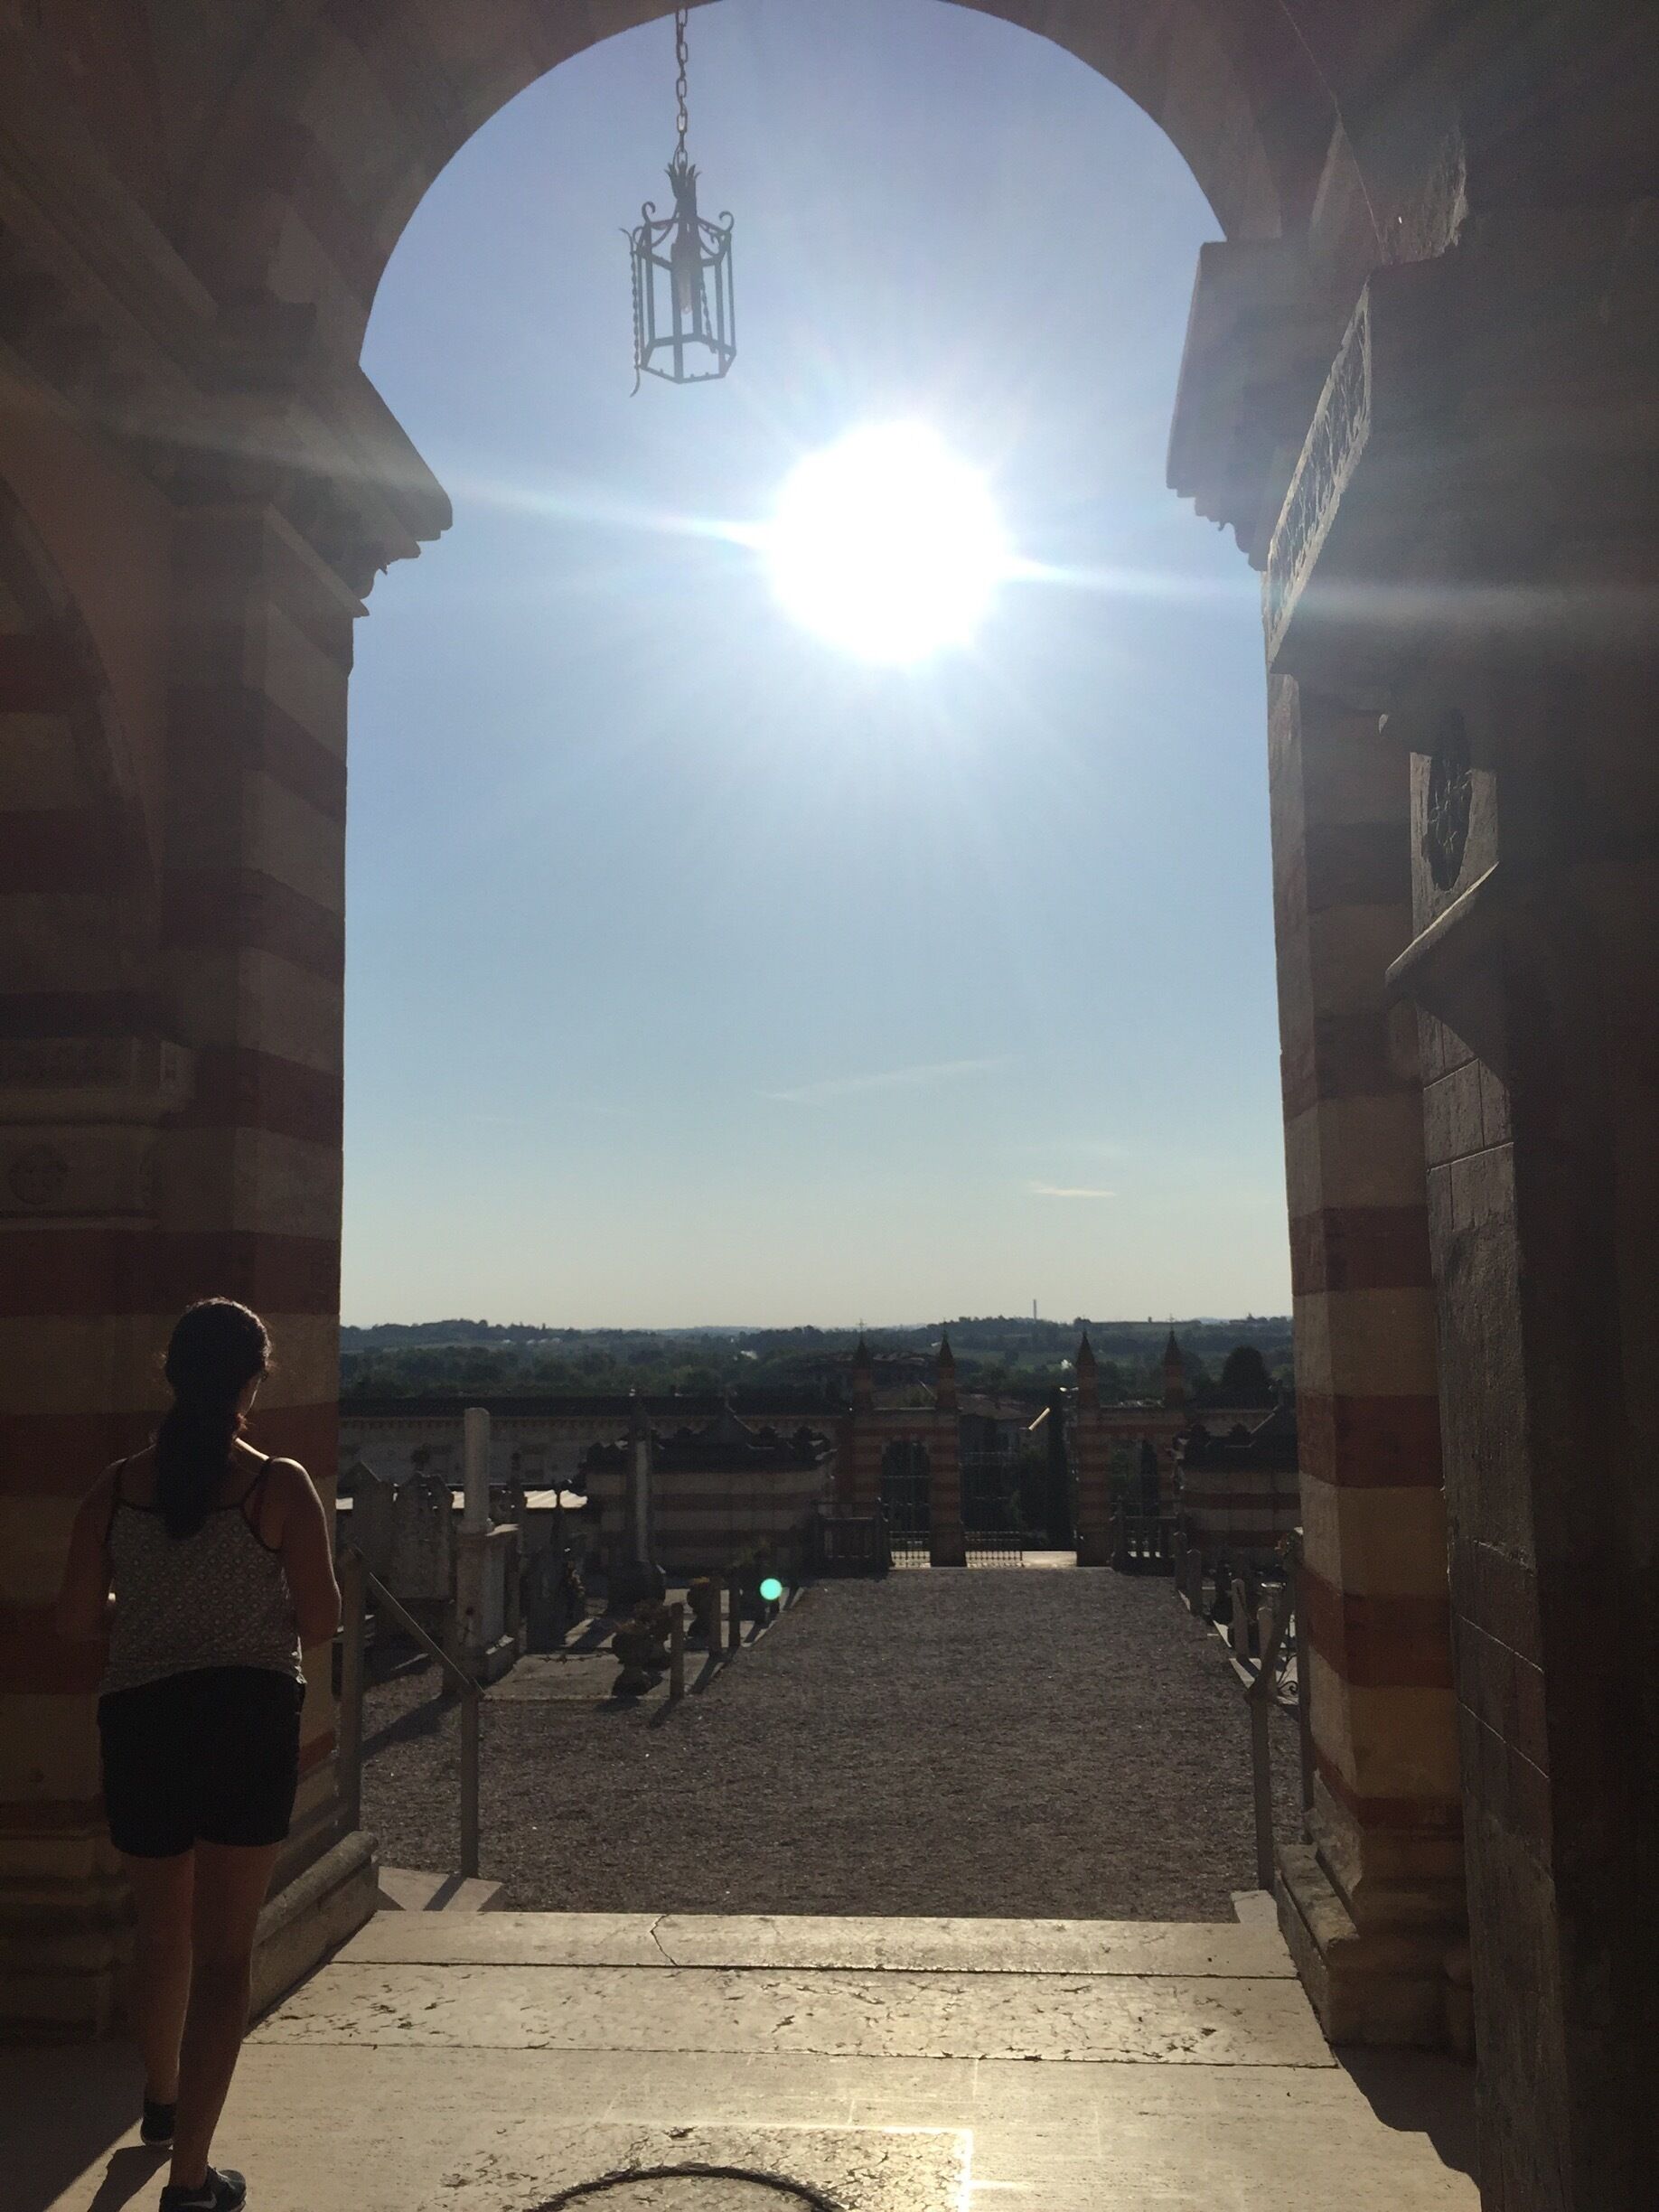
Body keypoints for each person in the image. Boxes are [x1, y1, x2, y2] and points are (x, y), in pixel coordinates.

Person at [55, 1299, 341, 2212]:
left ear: (170, 1376)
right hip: (246, 1721)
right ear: (254, 1381)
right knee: (225, 1958)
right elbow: (325, 1618)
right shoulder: (279, 1485)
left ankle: (160, 2102)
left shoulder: (116, 1488)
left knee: (159, 1931)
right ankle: (190, 2183)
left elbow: (71, 1620)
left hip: (142, 1721)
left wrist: (149, 1619)